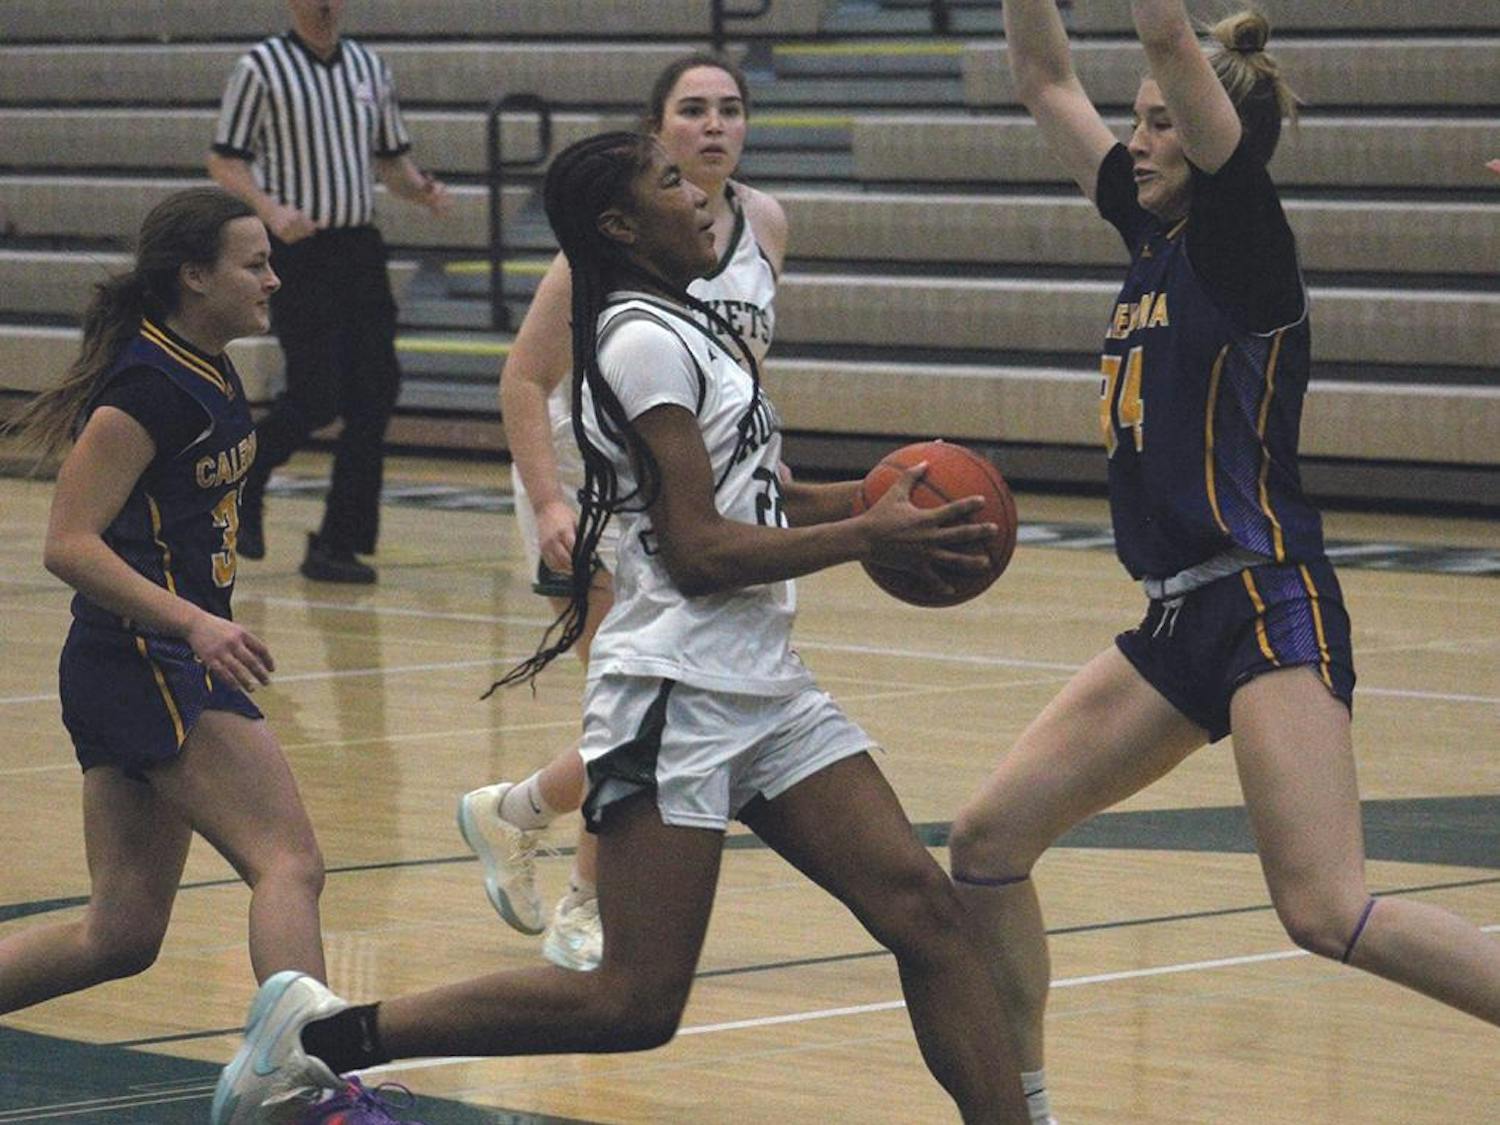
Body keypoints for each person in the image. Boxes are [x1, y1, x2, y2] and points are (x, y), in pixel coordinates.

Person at [210, 130, 1031, 1125]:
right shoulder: (639, 339)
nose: (699, 196)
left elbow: (754, 501)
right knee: (631, 1003)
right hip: (677, 692)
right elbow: (697, 550)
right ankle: (319, 1039)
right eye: (671, 181)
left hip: (761, 680)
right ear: (619, 224)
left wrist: (871, 498)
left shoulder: (691, 326)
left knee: (929, 918)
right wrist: (867, 534)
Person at [948, 4, 1500, 1123]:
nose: (1135, 139)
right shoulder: (1148, 232)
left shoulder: (1242, 239)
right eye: (1137, 126)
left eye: (1158, 124)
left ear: (1205, 139)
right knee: (987, 846)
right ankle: (1026, 1111)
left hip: (1263, 598)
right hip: (1174, 620)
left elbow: (1163, 40)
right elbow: (1043, 77)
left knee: (1325, 909)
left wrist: (1170, 55)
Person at [458, 52, 785, 973]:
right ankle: (583, 903)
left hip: (695, 471)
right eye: (692, 111)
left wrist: (757, 441)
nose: (714, 125)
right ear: (657, 130)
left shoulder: (765, 223)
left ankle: (514, 810)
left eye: (731, 108)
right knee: (628, 698)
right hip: (595, 475)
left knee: (652, 704)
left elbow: (743, 360)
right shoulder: (605, 245)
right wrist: (550, 498)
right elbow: (524, 376)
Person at [0, 187, 327, 1017]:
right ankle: (312, 1082)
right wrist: (195, 619)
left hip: (133, 662)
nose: (273, 280)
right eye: (254, 264)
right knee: (288, 862)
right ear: (193, 277)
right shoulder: (143, 391)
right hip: (148, 658)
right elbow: (67, 541)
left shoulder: (205, 365)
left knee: (120, 934)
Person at [207, 0, 450, 584]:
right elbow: (224, 161)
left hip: (359, 247)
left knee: (376, 391)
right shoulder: (260, 67)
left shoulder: (370, 67)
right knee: (317, 392)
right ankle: (247, 476)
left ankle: (338, 543)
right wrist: (270, 210)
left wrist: (422, 191)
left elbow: (392, 164)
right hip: (299, 249)